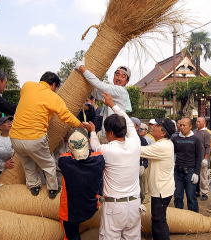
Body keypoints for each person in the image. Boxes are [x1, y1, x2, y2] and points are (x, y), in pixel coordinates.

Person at [10, 72, 82, 198]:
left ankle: (34, 186)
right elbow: (65, 115)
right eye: (56, 88)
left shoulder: (27, 86)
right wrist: (80, 124)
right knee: (48, 164)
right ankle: (53, 189)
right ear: (53, 85)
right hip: (34, 138)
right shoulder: (52, 97)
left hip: (15, 138)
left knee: (27, 164)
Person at [83, 93, 141, 240]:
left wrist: (92, 131)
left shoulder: (107, 150)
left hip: (114, 207)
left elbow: (94, 146)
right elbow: (127, 120)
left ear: (109, 133)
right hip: (135, 204)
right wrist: (112, 105)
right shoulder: (135, 143)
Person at [58, 129, 105, 240]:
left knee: (71, 236)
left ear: (70, 146)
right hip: (90, 207)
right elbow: (94, 151)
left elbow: (65, 155)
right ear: (87, 142)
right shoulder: (99, 159)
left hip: (70, 211)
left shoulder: (64, 161)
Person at [140, 118, 176, 240]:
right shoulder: (162, 143)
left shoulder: (162, 146)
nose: (154, 126)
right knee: (159, 219)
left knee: (158, 221)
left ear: (163, 132)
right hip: (163, 189)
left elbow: (138, 150)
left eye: (158, 125)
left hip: (161, 191)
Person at [76, 60, 132, 137]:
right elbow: (96, 93)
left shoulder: (120, 90)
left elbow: (99, 85)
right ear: (114, 76)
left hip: (114, 136)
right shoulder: (112, 93)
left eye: (123, 76)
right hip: (107, 134)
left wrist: (82, 68)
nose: (119, 78)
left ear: (127, 81)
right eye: (117, 74)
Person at [171, 118, 203, 212]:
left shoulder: (196, 139)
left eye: (184, 125)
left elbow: (199, 157)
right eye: (180, 125)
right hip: (178, 171)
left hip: (190, 171)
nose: (182, 127)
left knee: (191, 195)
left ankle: (194, 219)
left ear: (190, 126)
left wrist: (197, 172)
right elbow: (171, 153)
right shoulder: (175, 139)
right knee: (177, 195)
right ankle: (179, 217)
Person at [193, 117, 211, 201]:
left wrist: (206, 158)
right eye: (196, 121)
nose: (197, 123)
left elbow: (208, 147)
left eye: (199, 122)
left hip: (202, 158)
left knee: (203, 176)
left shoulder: (207, 133)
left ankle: (204, 192)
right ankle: (196, 191)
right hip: (193, 158)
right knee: (195, 175)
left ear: (204, 123)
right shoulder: (193, 132)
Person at [131, 117, 149, 202]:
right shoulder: (122, 137)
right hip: (125, 170)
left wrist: (143, 166)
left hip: (137, 170)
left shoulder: (142, 140)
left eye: (132, 124)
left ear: (137, 127)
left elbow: (146, 158)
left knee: (138, 193)